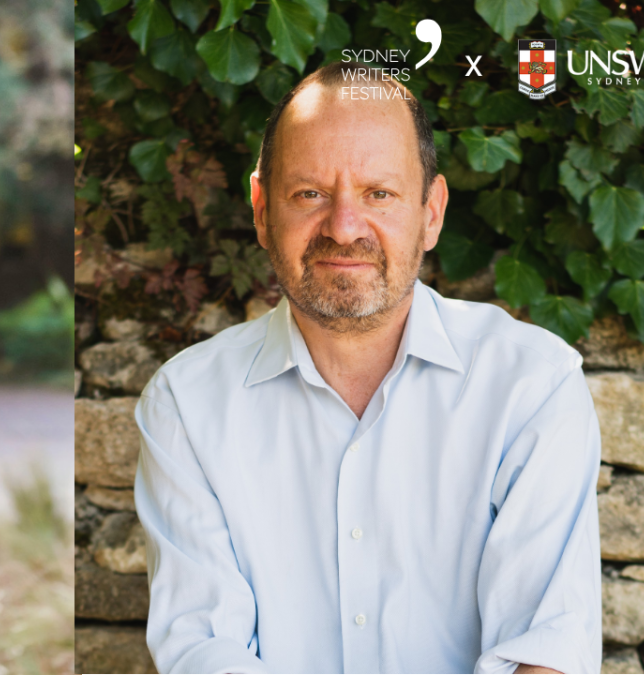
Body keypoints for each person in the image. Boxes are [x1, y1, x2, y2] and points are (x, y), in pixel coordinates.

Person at [133, 61, 601, 674]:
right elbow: (204, 653)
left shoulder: (532, 388)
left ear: (431, 212)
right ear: (261, 209)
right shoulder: (186, 406)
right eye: (310, 194)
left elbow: (546, 654)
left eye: (379, 193)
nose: (344, 227)